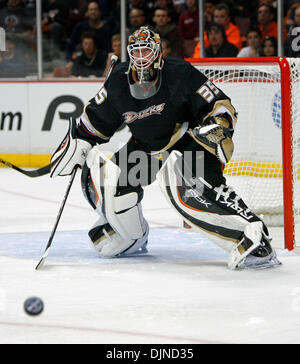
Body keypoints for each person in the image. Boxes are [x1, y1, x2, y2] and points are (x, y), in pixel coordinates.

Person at [50, 26, 281, 270]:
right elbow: (93, 124)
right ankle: (131, 237)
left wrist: (218, 126)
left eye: (146, 51)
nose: (141, 58)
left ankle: (254, 239)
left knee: (188, 190)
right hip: (146, 150)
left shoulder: (180, 72)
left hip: (189, 144)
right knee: (109, 180)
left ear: (158, 53)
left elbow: (220, 105)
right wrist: (78, 142)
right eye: (136, 52)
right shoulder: (118, 80)